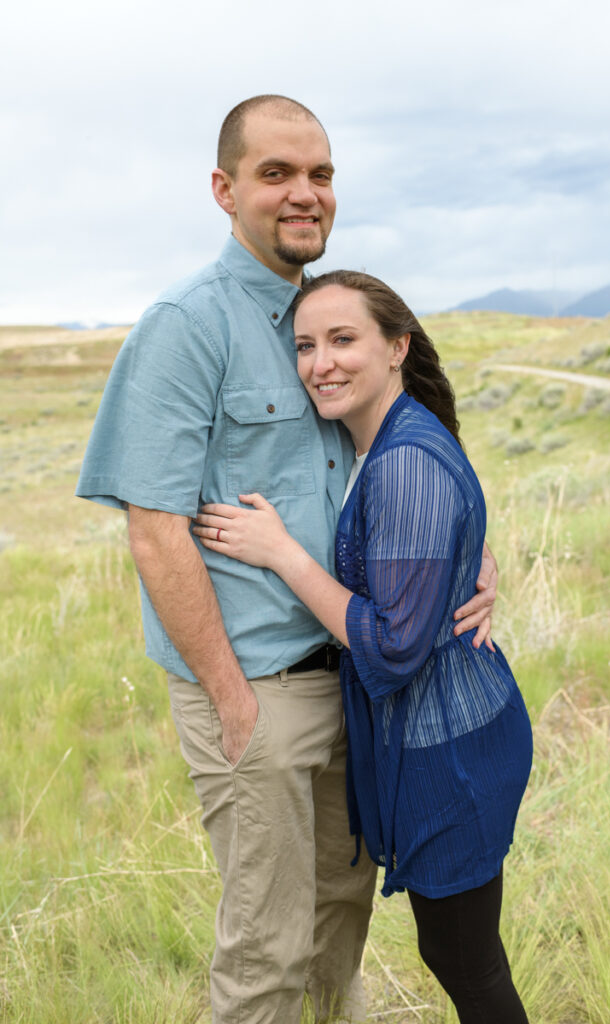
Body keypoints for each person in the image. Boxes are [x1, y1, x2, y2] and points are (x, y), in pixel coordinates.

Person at [76, 95, 498, 1024]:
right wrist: (230, 699)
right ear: (226, 190)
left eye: (320, 174)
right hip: (255, 691)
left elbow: (409, 426)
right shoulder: (186, 326)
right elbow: (154, 530)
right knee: (264, 948)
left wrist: (476, 550)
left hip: (354, 677)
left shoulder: (329, 313)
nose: (304, 194)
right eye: (276, 174)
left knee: (338, 926)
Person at [193, 270, 533, 1024]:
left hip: (449, 755)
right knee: (459, 955)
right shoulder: (387, 440)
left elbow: (392, 647)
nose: (321, 363)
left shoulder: (403, 456)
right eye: (306, 345)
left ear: (396, 348)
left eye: (343, 339)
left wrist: (281, 553)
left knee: (467, 965)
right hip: (450, 736)